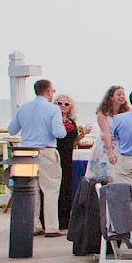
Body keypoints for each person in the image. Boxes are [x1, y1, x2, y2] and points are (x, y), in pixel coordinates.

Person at [8, 78, 67, 236]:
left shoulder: (23, 108)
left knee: (30, 189)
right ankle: (52, 227)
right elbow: (59, 133)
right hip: (46, 150)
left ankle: (33, 225)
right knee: (50, 189)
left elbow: (12, 130)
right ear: (48, 91)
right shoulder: (53, 109)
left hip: (26, 152)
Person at [88, 86, 128, 182]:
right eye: (119, 95)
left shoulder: (125, 113)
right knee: (105, 174)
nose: (122, 96)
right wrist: (110, 152)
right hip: (106, 146)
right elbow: (105, 132)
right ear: (111, 97)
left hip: (120, 146)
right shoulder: (103, 113)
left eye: (123, 94)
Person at [53, 94, 78, 233]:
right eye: (59, 103)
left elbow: (73, 142)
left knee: (67, 187)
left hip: (68, 156)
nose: (63, 105)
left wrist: (83, 134)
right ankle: (53, 219)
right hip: (57, 154)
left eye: (66, 104)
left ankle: (65, 220)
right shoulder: (53, 120)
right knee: (56, 187)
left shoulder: (71, 121)